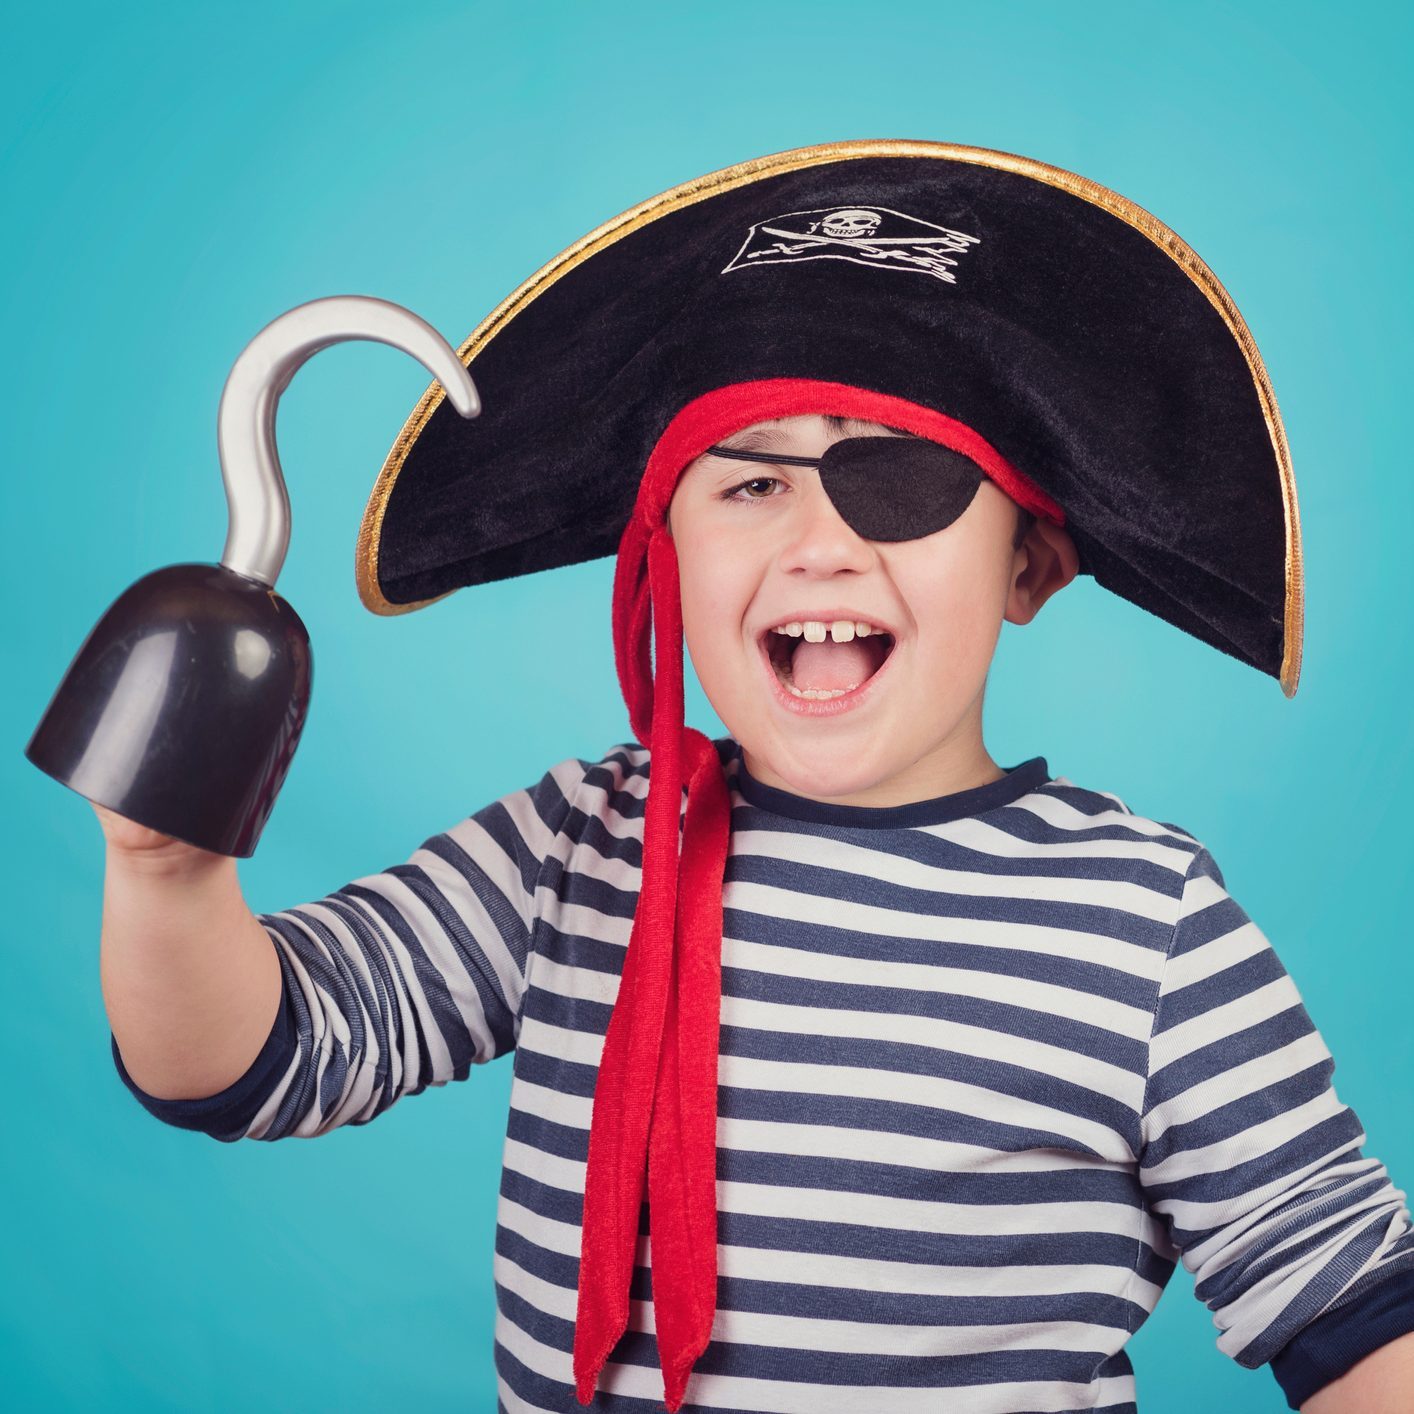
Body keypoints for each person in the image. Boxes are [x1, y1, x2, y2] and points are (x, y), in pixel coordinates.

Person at [97, 141, 1414, 1413]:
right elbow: (253, 1057)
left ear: (1031, 566)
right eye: (749, 485)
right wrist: (167, 867)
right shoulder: (579, 845)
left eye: (896, 479)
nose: (819, 545)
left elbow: (1352, 1309)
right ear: (661, 548)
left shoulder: (1145, 922)